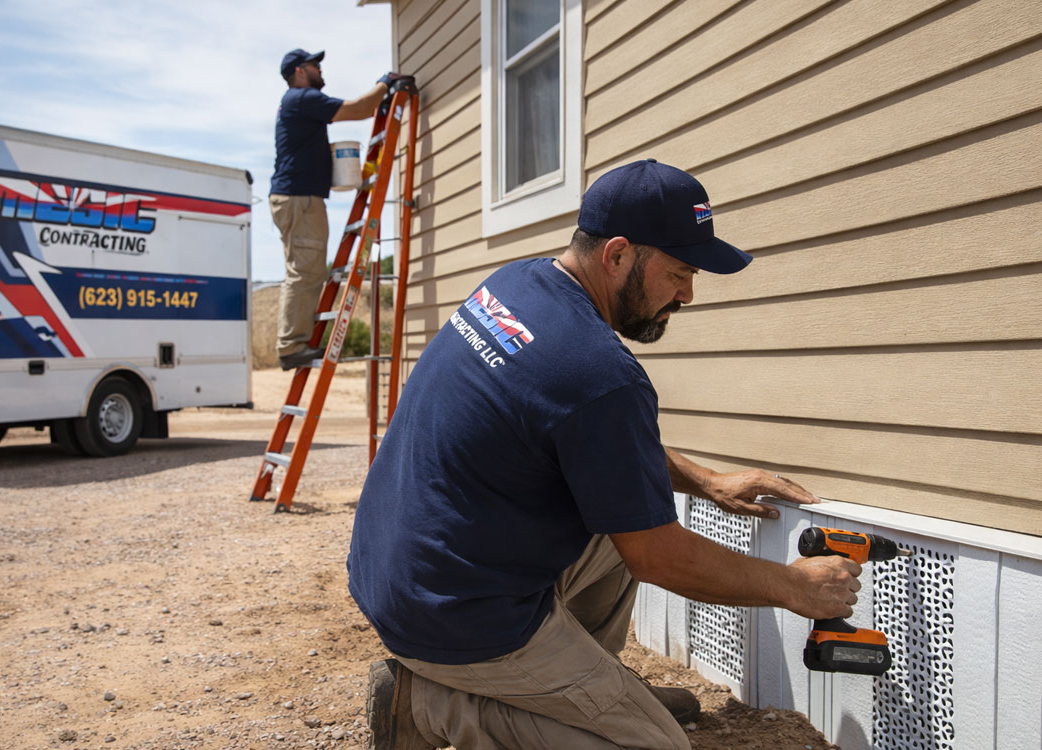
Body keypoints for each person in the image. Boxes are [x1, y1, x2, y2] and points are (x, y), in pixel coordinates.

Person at [347, 159, 864, 749]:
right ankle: (426, 705)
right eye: (679, 273)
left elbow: (599, 446)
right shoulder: (597, 373)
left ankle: (585, 688)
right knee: (653, 746)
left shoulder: (517, 284)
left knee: (626, 511)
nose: (688, 295)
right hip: (453, 610)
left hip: (400, 566)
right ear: (618, 256)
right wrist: (793, 585)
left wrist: (707, 480)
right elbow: (659, 558)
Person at [270, 48, 405, 371]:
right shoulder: (301, 98)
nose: (320, 70)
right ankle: (292, 346)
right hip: (300, 198)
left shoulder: (296, 103)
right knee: (304, 271)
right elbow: (359, 109)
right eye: (314, 65)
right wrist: (385, 83)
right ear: (300, 71)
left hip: (297, 197)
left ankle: (294, 342)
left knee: (305, 270)